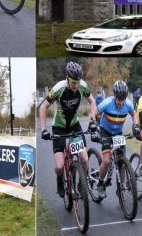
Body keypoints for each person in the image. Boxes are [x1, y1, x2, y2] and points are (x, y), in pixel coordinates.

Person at [39, 61, 97, 198]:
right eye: (73, 82)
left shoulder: (82, 86)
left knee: (84, 157)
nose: (76, 85)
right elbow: (42, 107)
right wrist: (43, 130)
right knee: (59, 166)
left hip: (74, 126)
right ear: (67, 78)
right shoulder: (59, 88)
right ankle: (60, 178)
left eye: (77, 82)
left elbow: (92, 102)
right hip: (59, 127)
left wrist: (92, 120)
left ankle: (81, 182)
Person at [88, 80, 140, 200]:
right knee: (106, 161)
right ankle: (100, 183)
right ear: (115, 96)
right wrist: (92, 125)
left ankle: (121, 188)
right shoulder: (107, 103)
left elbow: (134, 114)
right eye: (119, 99)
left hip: (118, 134)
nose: (121, 102)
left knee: (122, 163)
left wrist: (136, 126)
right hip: (105, 132)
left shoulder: (128, 104)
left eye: (123, 99)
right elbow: (93, 114)